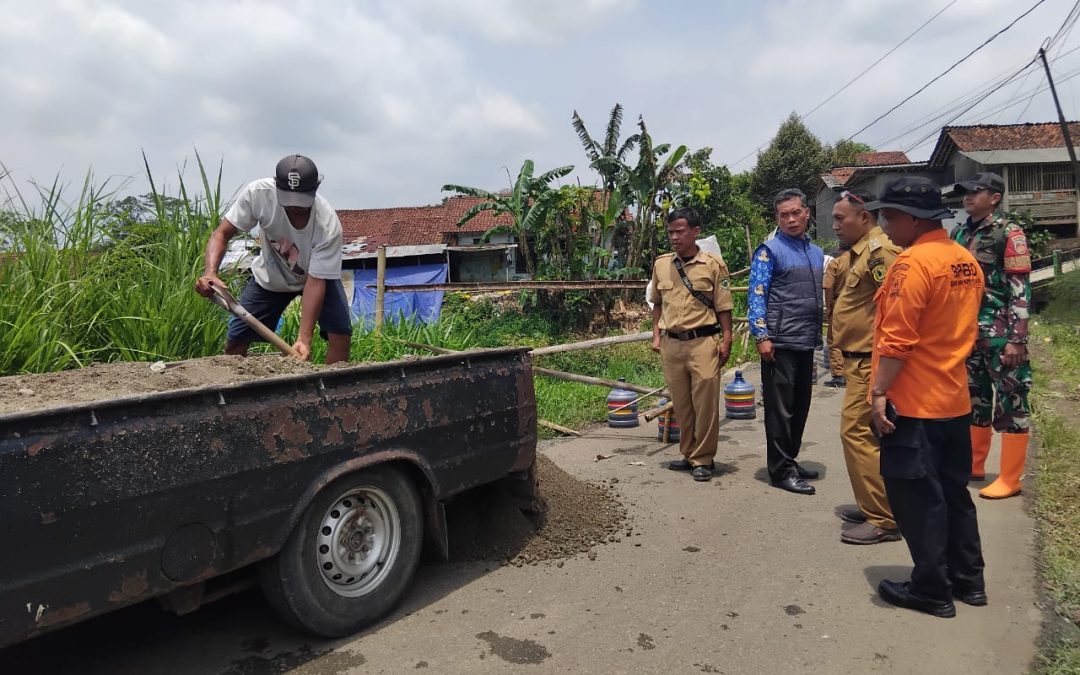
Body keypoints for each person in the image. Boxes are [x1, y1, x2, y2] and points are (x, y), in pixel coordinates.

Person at [866, 177, 987, 618]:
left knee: (919, 500)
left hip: (914, 405)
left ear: (914, 219)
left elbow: (898, 341)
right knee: (954, 495)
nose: (884, 225)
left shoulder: (911, 265)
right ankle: (968, 580)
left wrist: (879, 391)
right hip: (953, 400)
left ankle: (931, 589)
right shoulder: (965, 260)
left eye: (890, 216)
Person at [195, 154, 352, 364]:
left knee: (340, 337)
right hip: (271, 275)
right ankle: (238, 383)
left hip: (317, 278)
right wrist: (210, 273)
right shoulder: (258, 194)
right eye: (288, 201)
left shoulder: (328, 225)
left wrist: (304, 339)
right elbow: (221, 234)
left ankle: (333, 383)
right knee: (236, 342)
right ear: (277, 187)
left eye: (301, 202)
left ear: (315, 190)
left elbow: (315, 282)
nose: (294, 208)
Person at [951, 172, 1032, 499]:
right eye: (965, 192)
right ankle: (974, 465)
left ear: (995, 198)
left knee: (1012, 399)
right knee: (975, 398)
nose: (968, 197)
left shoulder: (1009, 233)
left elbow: (1020, 289)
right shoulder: (959, 233)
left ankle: (1010, 478)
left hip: (1001, 333)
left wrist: (1017, 339)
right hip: (967, 332)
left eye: (976, 192)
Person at [829, 188, 903, 545]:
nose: (835, 225)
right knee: (863, 436)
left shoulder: (879, 253)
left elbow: (896, 311)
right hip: (858, 359)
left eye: (840, 218)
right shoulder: (859, 253)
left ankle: (883, 518)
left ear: (864, 217)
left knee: (857, 434)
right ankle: (873, 504)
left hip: (869, 362)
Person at [748, 188, 825, 495]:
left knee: (800, 406)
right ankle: (780, 471)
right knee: (780, 411)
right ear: (777, 218)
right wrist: (761, 335)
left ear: (807, 213)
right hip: (779, 342)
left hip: (806, 339)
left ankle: (790, 459)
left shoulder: (815, 252)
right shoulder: (769, 251)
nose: (791, 219)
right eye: (784, 215)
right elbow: (757, 295)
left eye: (795, 213)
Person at [650, 208, 735, 482]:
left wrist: (727, 339)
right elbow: (657, 303)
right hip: (671, 344)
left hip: (703, 343)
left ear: (696, 231)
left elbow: (724, 306)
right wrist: (655, 335)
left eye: (680, 231)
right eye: (670, 232)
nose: (674, 237)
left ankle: (704, 458)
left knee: (705, 404)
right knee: (682, 404)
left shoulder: (713, 265)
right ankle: (688, 453)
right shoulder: (661, 264)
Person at [822, 246, 851, 388]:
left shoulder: (836, 263)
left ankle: (839, 375)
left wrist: (829, 308)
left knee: (835, 340)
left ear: (839, 249)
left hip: (840, 304)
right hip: (861, 306)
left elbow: (828, 287)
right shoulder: (863, 261)